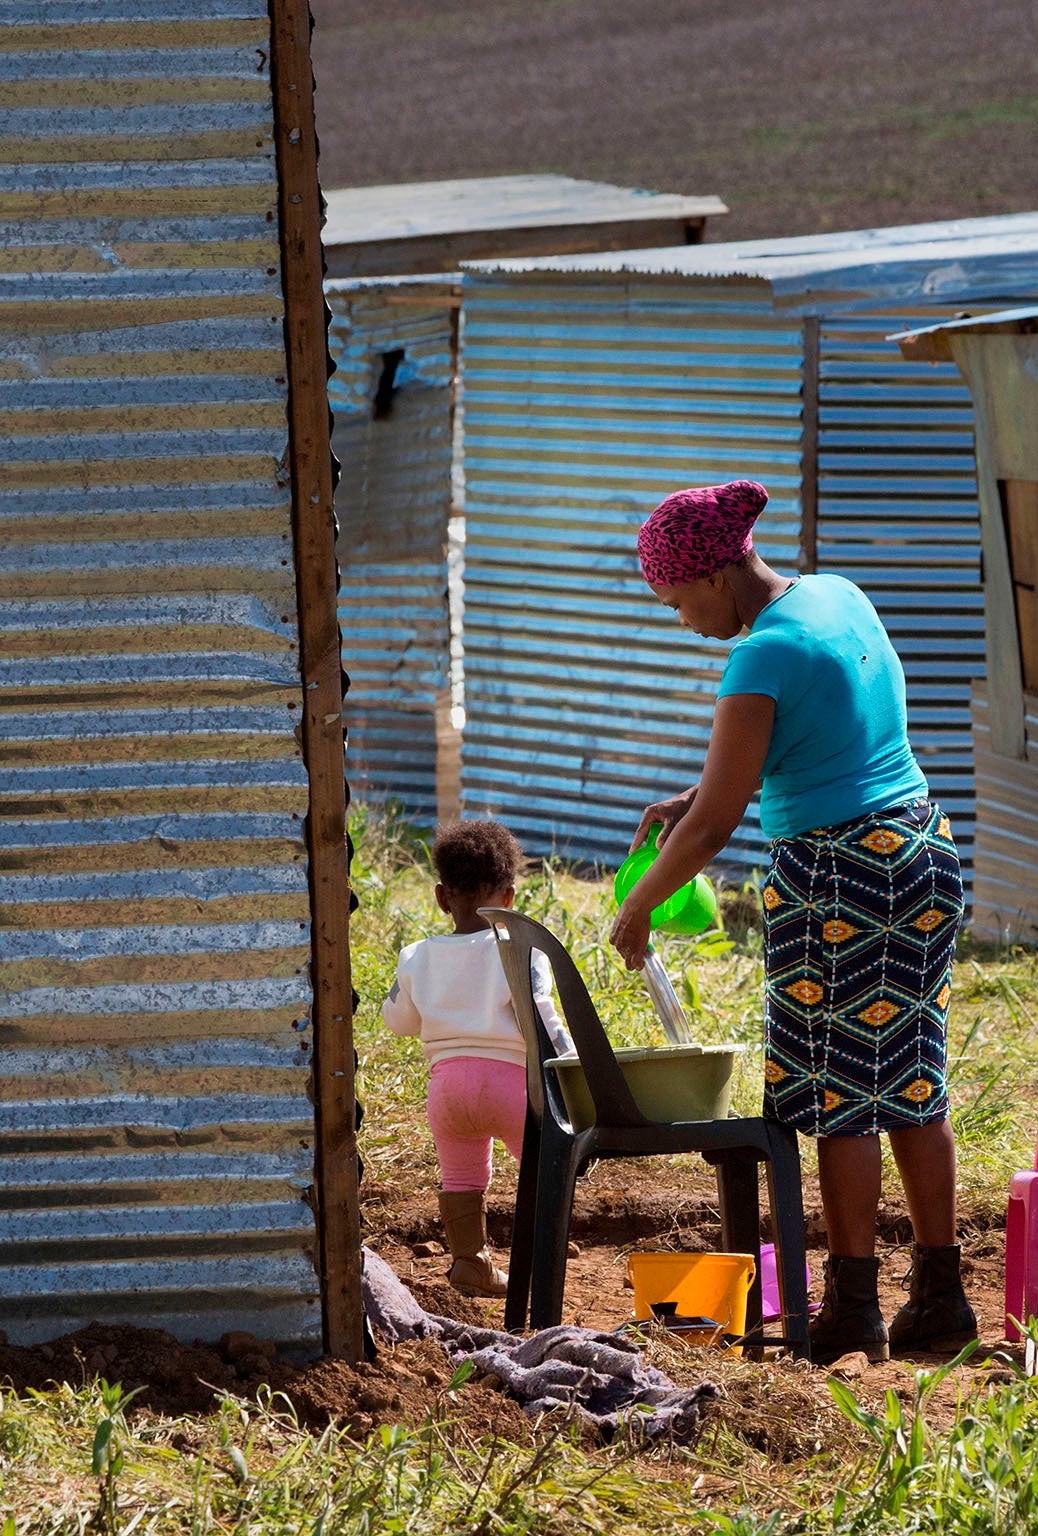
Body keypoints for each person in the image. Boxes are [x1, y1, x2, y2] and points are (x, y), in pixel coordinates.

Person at [608, 479, 975, 1363]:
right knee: (912, 1078)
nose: (683, 620)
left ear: (718, 576)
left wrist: (639, 905)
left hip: (839, 883)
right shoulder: (835, 596)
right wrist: (699, 789)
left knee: (842, 1097)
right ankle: (942, 1297)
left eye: (680, 601)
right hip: (919, 852)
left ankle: (854, 1311)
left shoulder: (759, 656)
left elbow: (715, 826)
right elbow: (829, 739)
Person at [383, 820, 566, 1297]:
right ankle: (543, 1261)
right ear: (508, 897)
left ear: (443, 898)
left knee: (461, 1175)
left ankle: (470, 1263)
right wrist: (570, 1067)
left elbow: (399, 1022)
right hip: (510, 1085)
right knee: (547, 1166)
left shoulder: (415, 955)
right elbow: (542, 1018)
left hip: (446, 1089)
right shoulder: (522, 951)